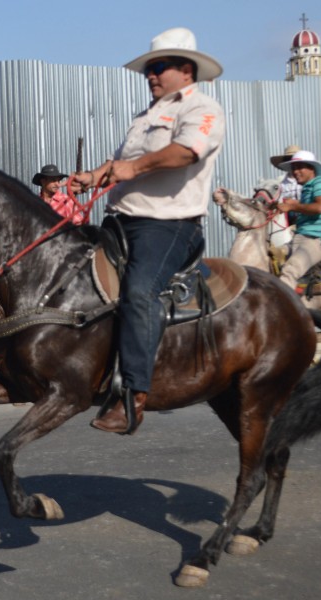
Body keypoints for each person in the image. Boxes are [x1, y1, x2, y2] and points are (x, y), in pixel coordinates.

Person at [69, 27, 226, 434]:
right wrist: (93, 176)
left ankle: (134, 396)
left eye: (158, 67)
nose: (151, 75)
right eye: (148, 69)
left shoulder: (203, 108)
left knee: (140, 291)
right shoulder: (147, 116)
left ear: (186, 70)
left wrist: (132, 168)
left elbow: (186, 151)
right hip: (122, 220)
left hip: (169, 225)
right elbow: (121, 162)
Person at [271, 150, 321, 290]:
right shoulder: (306, 188)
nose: (295, 171)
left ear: (311, 169)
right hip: (299, 237)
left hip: (316, 239)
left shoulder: (320, 182)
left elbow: (320, 207)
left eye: (300, 167)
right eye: (294, 168)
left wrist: (293, 206)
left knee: (290, 270)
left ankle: (284, 310)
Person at [267, 145, 302, 248]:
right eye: (290, 160)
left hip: (306, 216)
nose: (293, 163)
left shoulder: (309, 181)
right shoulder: (280, 183)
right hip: (285, 219)